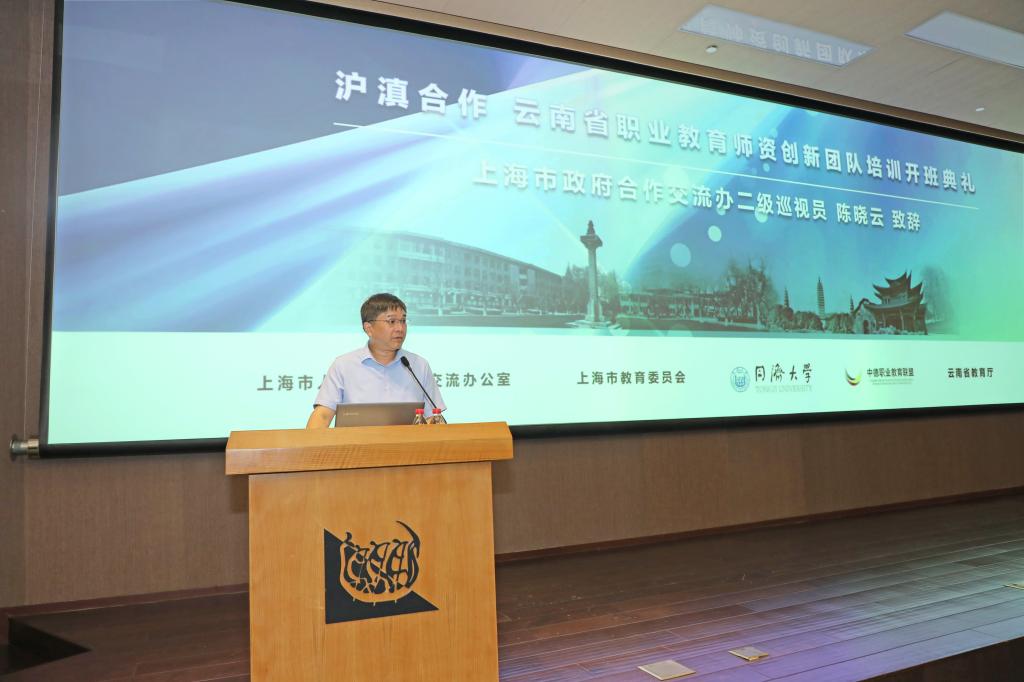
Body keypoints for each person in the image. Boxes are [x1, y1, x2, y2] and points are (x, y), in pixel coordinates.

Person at [306, 293, 446, 428]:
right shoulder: (344, 366)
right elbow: (323, 415)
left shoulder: (418, 365)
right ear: (369, 328)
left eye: (403, 321)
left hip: (410, 444)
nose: (400, 328)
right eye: (391, 321)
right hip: (357, 444)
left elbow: (433, 417)